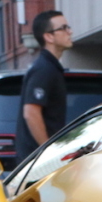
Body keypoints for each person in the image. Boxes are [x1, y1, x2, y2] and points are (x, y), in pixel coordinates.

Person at [15, 10, 72, 162]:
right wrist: (48, 151)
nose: (70, 32)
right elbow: (31, 112)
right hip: (37, 163)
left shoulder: (51, 68)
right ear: (48, 37)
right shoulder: (44, 69)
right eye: (64, 28)